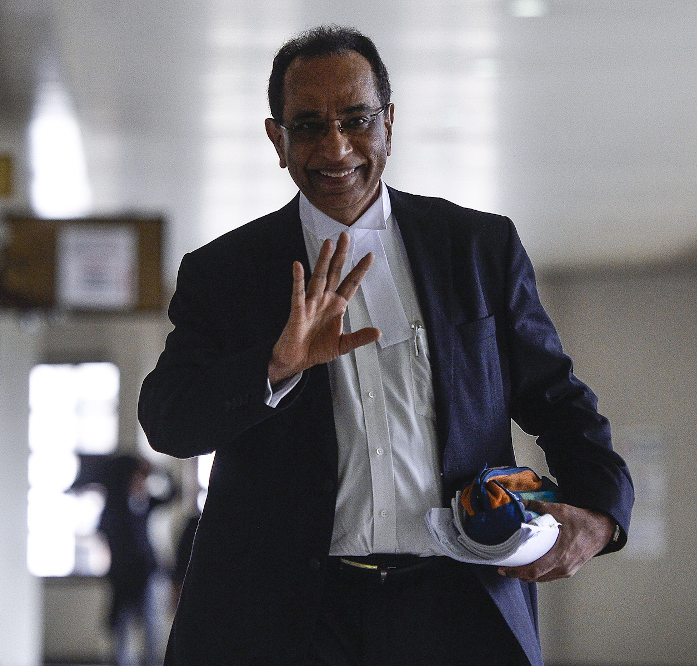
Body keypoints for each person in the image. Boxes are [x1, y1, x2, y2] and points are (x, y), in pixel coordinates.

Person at [137, 25, 634, 666]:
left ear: (389, 122)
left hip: (457, 601)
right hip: (286, 617)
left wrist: (599, 512)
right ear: (277, 140)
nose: (336, 146)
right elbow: (168, 420)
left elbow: (556, 398)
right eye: (309, 125)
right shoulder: (226, 272)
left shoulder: (478, 249)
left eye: (356, 119)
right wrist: (275, 366)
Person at [97, 455, 174, 666]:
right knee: (122, 625)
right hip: (123, 575)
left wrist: (160, 471)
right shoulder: (115, 506)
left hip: (146, 572)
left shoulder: (144, 502)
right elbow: (105, 532)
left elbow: (173, 494)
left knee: (151, 624)